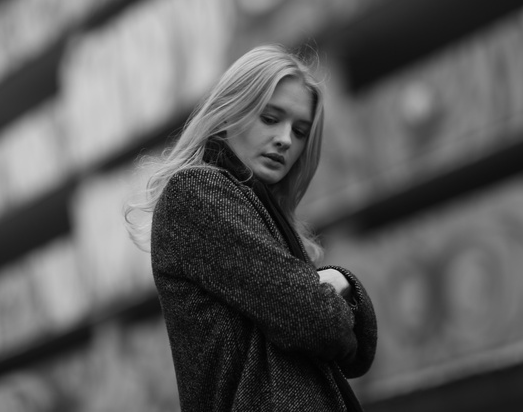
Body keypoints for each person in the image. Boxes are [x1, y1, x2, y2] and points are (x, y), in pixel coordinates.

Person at [126, 44, 377, 411]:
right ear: (230, 113)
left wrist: (338, 284)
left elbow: (354, 357)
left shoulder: (258, 212)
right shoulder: (197, 193)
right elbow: (315, 320)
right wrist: (337, 286)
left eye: (301, 130)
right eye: (271, 118)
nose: (286, 139)